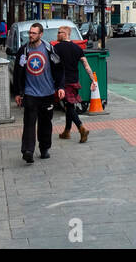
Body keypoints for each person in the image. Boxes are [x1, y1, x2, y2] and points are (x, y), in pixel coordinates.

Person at [12, 23, 64, 164]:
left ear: (41, 34)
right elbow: (17, 72)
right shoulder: (23, 51)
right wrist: (18, 92)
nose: (31, 35)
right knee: (29, 122)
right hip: (30, 93)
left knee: (45, 123)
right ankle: (28, 151)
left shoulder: (48, 49)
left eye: (34, 33)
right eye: (30, 33)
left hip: (47, 92)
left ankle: (44, 148)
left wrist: (60, 87)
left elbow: (59, 68)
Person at [53, 25, 94, 143]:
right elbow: (86, 65)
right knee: (69, 106)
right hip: (74, 81)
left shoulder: (56, 48)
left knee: (69, 107)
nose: (57, 34)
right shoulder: (77, 48)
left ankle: (81, 128)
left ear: (65, 34)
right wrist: (93, 79)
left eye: (59, 32)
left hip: (63, 82)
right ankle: (67, 131)